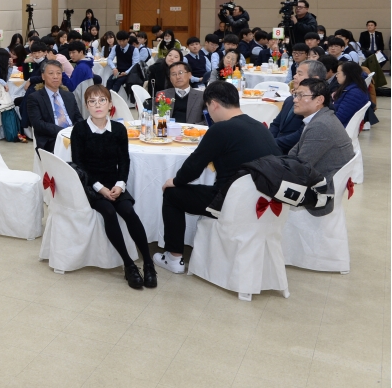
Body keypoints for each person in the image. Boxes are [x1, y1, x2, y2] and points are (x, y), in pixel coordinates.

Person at [153, 81, 282, 273]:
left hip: (233, 202)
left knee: (172, 194)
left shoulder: (221, 128)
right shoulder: (258, 126)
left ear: (213, 104)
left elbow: (193, 167)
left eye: (207, 107)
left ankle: (173, 257)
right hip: (263, 197)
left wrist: (175, 181)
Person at [69, 85, 156, 289]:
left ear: (110, 104)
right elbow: (79, 165)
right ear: (86, 105)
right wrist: (99, 188)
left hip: (114, 181)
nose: (97, 105)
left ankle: (149, 264)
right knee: (108, 211)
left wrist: (120, 184)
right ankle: (128, 264)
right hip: (90, 184)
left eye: (102, 100)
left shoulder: (118, 129)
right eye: (92, 101)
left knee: (127, 210)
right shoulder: (80, 130)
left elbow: (124, 161)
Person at [288, 78, 355, 216]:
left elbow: (300, 168)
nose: (295, 100)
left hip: (318, 194)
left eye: (301, 95)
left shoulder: (320, 125)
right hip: (322, 180)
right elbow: (294, 153)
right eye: (295, 94)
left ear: (319, 100)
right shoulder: (322, 117)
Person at [270, 59, 327, 154]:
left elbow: (301, 135)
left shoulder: (319, 104)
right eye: (296, 73)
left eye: (300, 74)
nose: (294, 77)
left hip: (294, 153)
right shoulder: (289, 99)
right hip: (277, 147)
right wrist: (269, 140)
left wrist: (270, 143)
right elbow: (276, 124)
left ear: (314, 79)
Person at [27, 60, 81, 152]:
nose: (55, 77)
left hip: (73, 135)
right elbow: (38, 124)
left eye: (58, 73)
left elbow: (78, 118)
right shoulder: (35, 98)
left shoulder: (69, 95)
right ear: (43, 76)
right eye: (51, 73)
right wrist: (63, 132)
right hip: (51, 139)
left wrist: (76, 130)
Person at [332, 61, 370, 127]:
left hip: (341, 128)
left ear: (347, 74)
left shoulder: (354, 93)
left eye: (338, 73)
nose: (336, 76)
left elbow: (340, 118)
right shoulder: (351, 87)